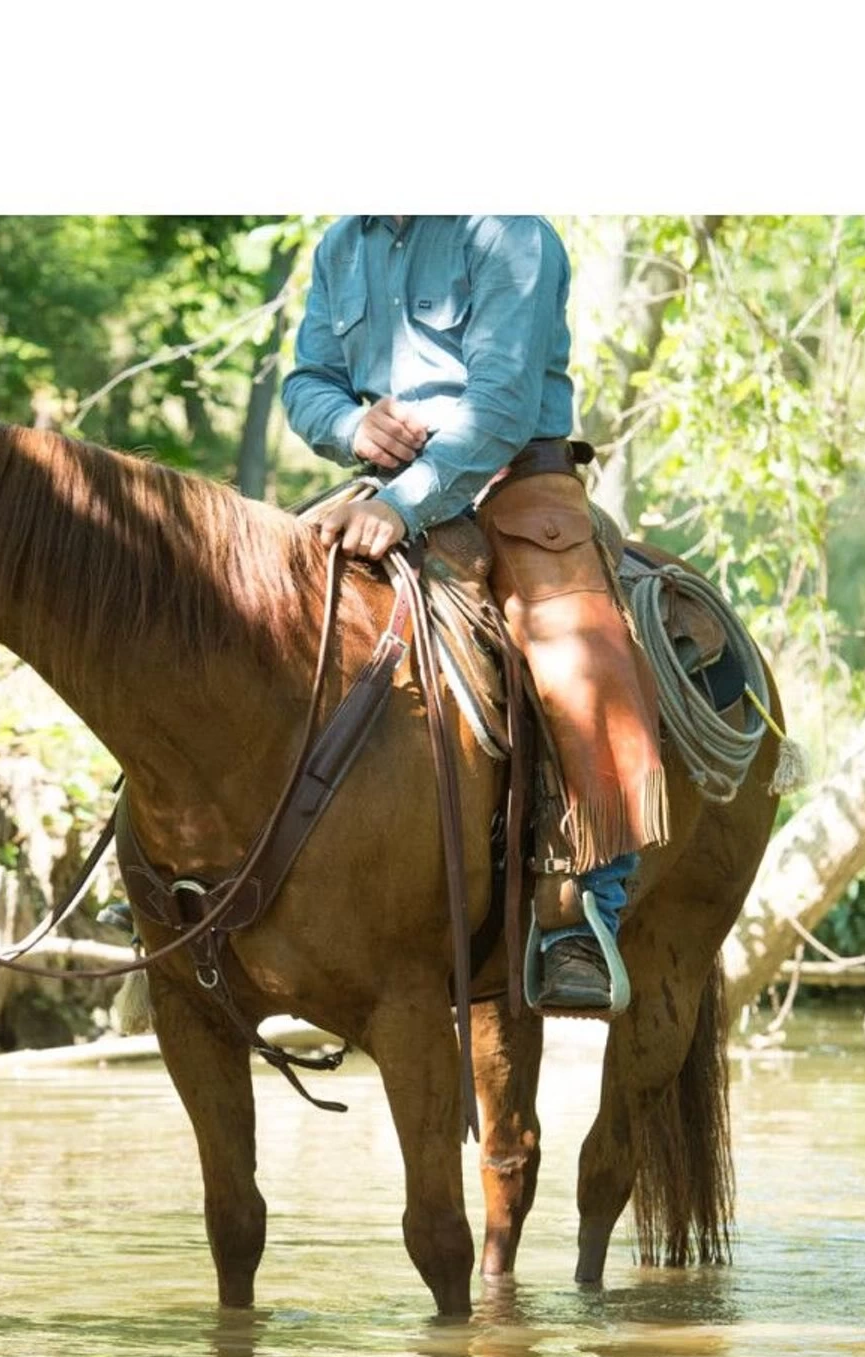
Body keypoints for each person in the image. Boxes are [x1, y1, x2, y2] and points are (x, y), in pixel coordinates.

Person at [281, 214, 668, 1015]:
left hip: (514, 482)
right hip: (384, 484)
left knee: (578, 658)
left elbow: (500, 403)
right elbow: (306, 380)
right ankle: (214, 870)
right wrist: (351, 423)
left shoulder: (505, 231)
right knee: (253, 607)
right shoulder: (340, 244)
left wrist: (403, 503)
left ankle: (582, 913)